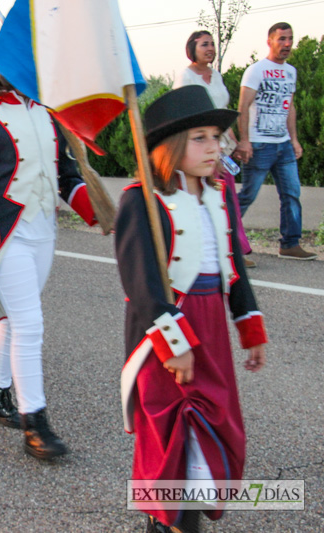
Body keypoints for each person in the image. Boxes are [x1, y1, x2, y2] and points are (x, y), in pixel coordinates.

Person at [115, 86, 268, 533]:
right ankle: (167, 522)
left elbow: (233, 267)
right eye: (200, 137)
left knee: (213, 428)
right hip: (164, 334)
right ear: (171, 147)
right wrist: (174, 344)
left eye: (216, 136)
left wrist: (251, 329)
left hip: (213, 329)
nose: (214, 147)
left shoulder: (218, 196)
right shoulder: (141, 200)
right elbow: (141, 286)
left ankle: (177, 519)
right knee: (171, 433)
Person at [0, 60, 97, 461]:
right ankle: (36, 421)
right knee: (30, 323)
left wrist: (98, 212)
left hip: (43, 231)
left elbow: (67, 176)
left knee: (15, 321)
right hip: (3, 236)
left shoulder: (49, 117)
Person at [234, 22, 315, 260]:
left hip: (283, 144)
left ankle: (290, 244)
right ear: (270, 41)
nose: (287, 44)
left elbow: (288, 108)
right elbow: (243, 107)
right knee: (248, 195)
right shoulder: (256, 70)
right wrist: (245, 141)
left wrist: (295, 140)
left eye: (290, 39)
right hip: (259, 145)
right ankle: (223, 241)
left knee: (292, 193)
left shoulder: (291, 71)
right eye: (281, 39)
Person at [176, 30, 255, 268]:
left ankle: (234, 249)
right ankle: (207, 247)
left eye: (212, 44)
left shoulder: (216, 76)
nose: (210, 48)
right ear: (192, 49)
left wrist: (235, 142)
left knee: (225, 196)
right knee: (206, 195)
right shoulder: (185, 77)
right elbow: (185, 117)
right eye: (204, 45)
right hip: (200, 147)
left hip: (222, 145)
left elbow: (223, 112)